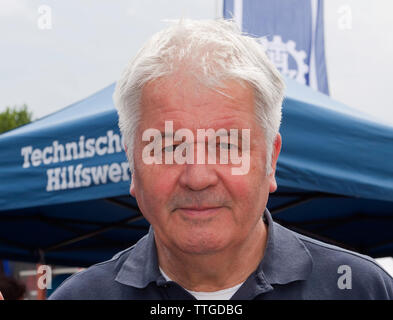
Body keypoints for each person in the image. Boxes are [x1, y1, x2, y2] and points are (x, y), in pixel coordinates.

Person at [49, 19, 393, 300]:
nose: (197, 177)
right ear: (133, 166)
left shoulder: (364, 291)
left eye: (227, 145)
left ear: (270, 161)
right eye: (169, 147)